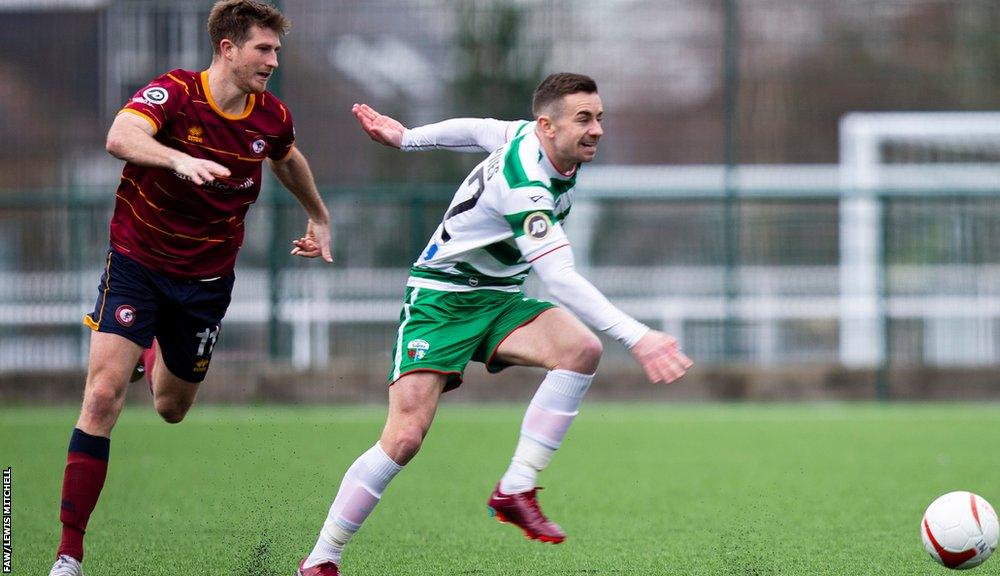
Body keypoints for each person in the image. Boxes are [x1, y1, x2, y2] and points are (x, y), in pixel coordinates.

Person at [295, 73, 692, 576]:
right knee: (404, 438)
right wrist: (639, 335)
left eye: (599, 118)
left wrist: (407, 138)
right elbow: (559, 277)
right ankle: (322, 559)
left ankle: (516, 488)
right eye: (584, 119)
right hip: (441, 299)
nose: (596, 130)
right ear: (548, 126)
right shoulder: (525, 185)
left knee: (581, 350)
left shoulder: (531, 136)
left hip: (499, 297)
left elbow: (479, 129)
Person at [48, 2, 333, 575]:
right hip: (137, 262)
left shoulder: (271, 116)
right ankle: (68, 556)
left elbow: (287, 158)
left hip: (205, 283)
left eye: (276, 50)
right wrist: (177, 159)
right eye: (263, 48)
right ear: (227, 48)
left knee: (171, 407)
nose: (273, 60)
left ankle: (146, 348)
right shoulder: (175, 93)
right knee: (103, 397)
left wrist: (319, 216)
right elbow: (120, 135)